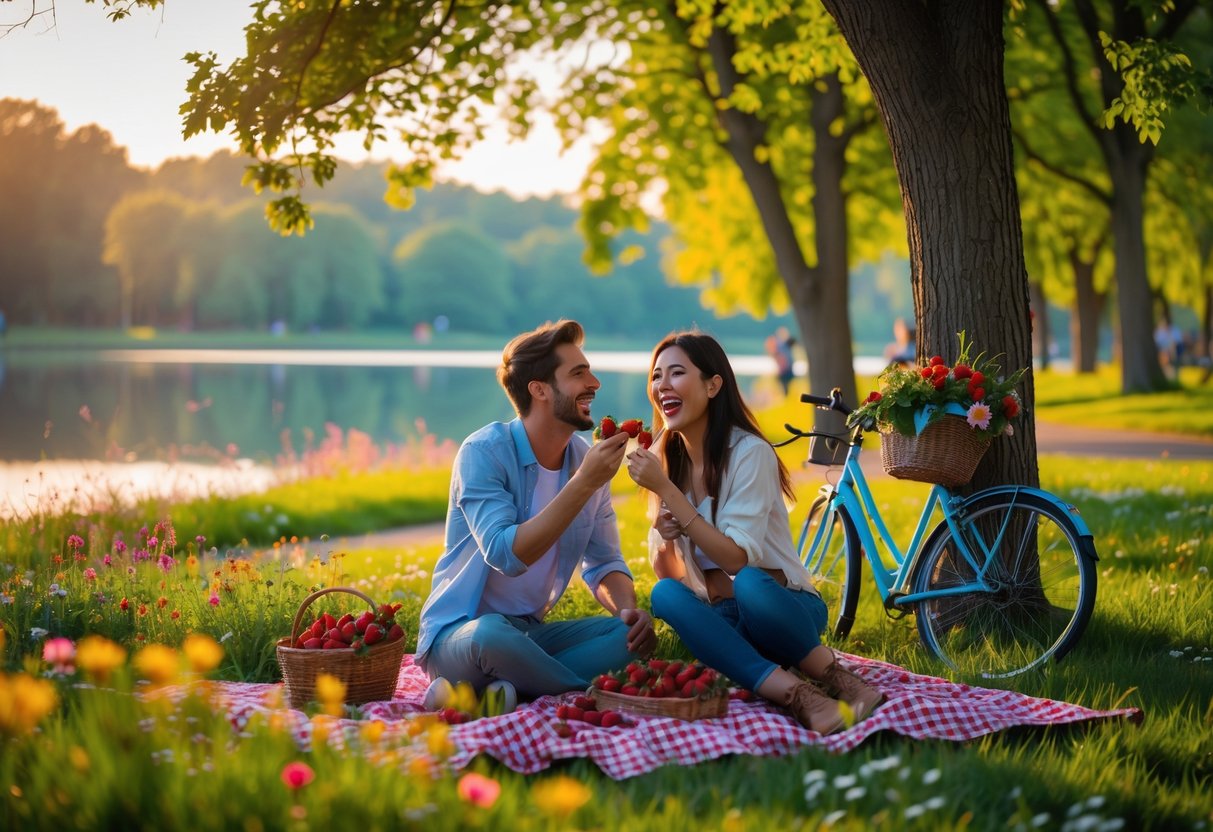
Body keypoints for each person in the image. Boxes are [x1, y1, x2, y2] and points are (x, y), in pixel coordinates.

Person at [624, 330, 884, 734]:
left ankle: (839, 680)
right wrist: (665, 529)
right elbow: (671, 576)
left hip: (783, 607)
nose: (662, 386)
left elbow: (735, 560)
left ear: (713, 385)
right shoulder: (666, 463)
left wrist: (668, 493)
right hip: (725, 615)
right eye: (656, 376)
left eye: (676, 373)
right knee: (664, 595)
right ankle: (800, 695)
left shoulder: (749, 454)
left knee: (748, 583)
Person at [416, 319, 657, 712]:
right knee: (491, 637)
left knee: (624, 638)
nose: (594, 382)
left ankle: (493, 692)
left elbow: (604, 562)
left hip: (530, 635)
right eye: (579, 373)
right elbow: (505, 554)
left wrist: (628, 610)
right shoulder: (483, 452)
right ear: (540, 389)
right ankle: (579, 693)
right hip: (462, 634)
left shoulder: (584, 459)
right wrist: (582, 483)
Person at [765, 326, 796, 396]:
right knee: (785, 387)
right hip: (786, 370)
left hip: (785, 371)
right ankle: (786, 397)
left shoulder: (780, 346)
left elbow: (782, 359)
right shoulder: (782, 345)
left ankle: (786, 396)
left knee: (785, 386)